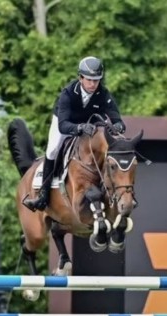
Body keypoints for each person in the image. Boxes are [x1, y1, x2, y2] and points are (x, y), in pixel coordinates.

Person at [23, 56, 126, 212]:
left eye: (96, 80)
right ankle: (43, 195)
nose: (93, 84)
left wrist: (117, 126)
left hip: (88, 127)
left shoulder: (103, 94)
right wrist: (79, 129)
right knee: (52, 149)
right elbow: (63, 126)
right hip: (66, 124)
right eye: (89, 80)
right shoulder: (68, 93)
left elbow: (116, 118)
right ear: (81, 77)